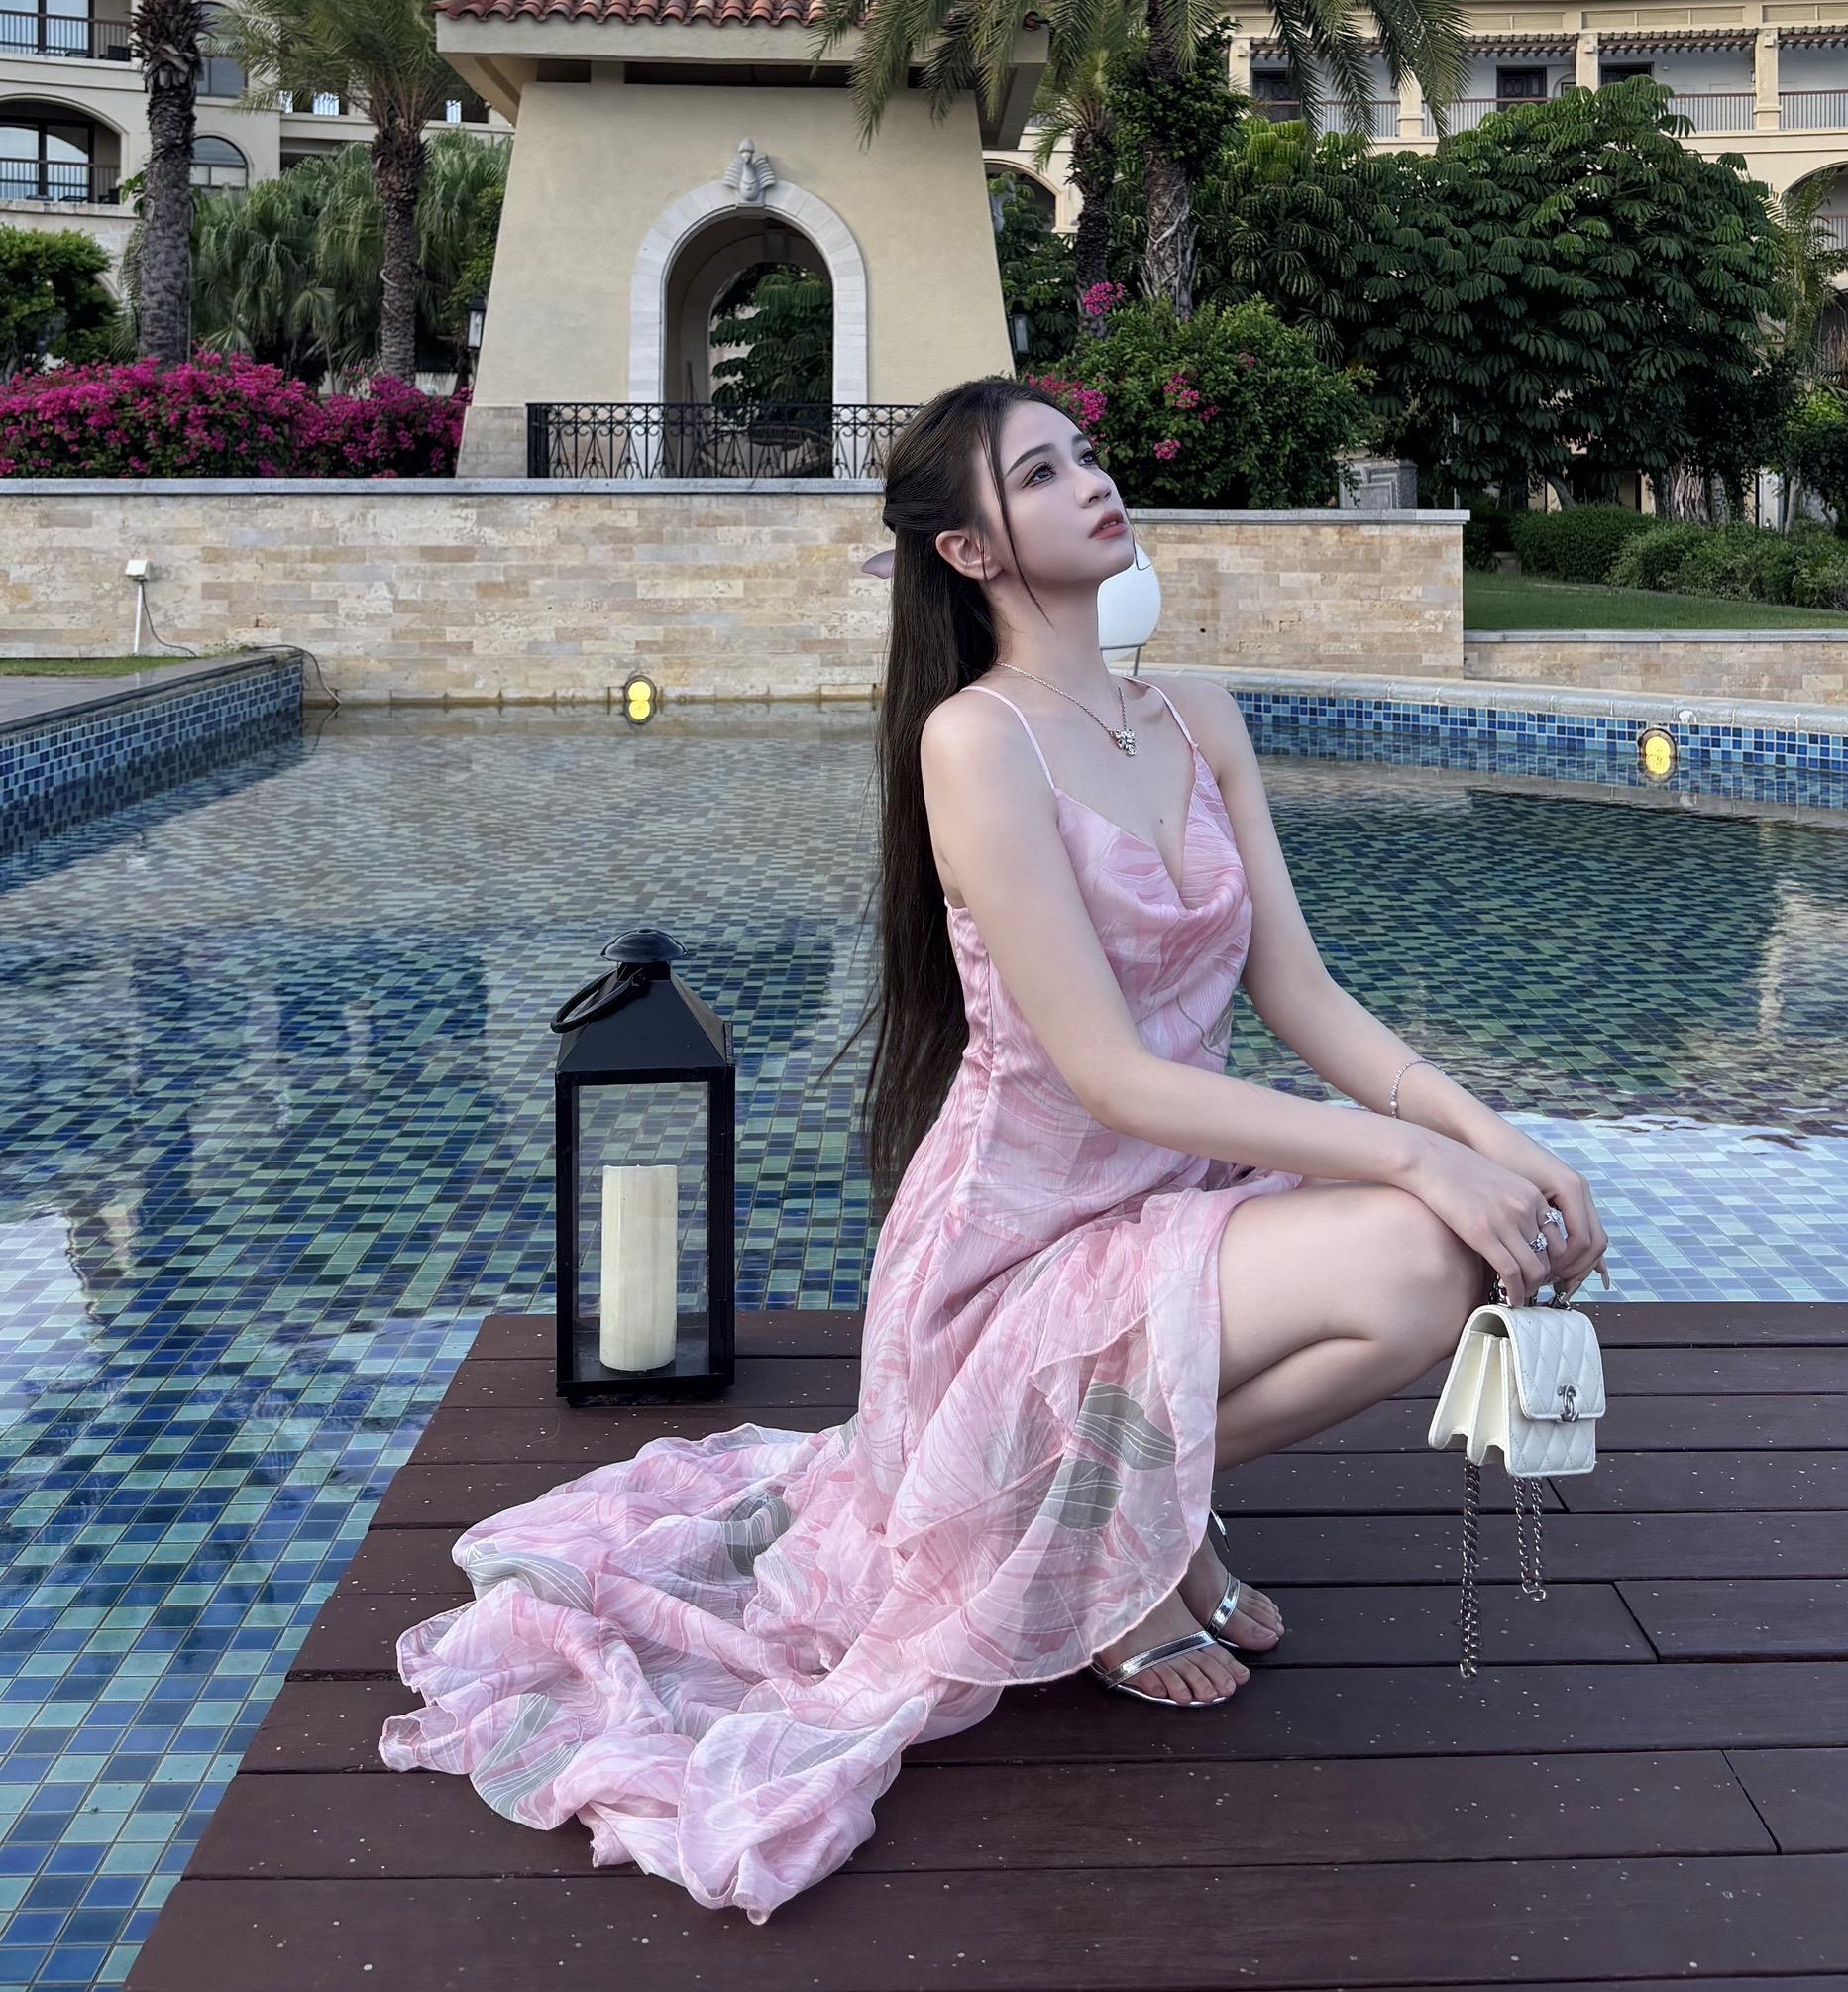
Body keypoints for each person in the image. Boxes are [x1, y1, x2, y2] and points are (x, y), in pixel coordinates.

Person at [379, 377, 1608, 1922]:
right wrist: (1417, 1165)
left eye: (1083, 454)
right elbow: (1109, 1075)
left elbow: (1298, 992)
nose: (1091, 481)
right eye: (1039, 474)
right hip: (1014, 1251)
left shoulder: (1199, 717)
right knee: (1424, 1247)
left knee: (1452, 1266)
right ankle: (1113, 1546)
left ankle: (1133, 1515)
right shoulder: (977, 742)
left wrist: (1499, 1140)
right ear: (968, 550)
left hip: (1176, 1205)